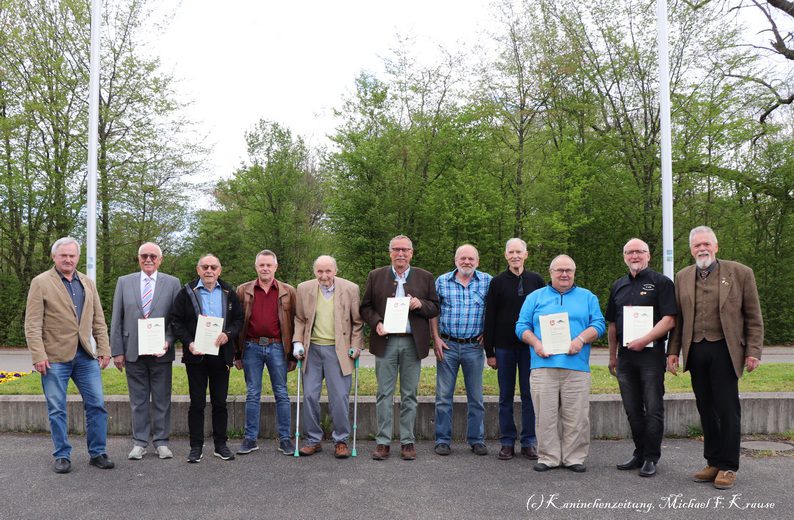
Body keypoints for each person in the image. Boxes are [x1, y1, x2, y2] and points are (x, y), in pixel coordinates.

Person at [667, 226, 763, 490]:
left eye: (706, 244)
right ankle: (713, 461)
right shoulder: (683, 276)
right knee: (706, 409)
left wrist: (753, 351)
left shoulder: (740, 273)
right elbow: (679, 321)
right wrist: (673, 351)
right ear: (691, 250)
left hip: (725, 350)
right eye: (697, 245)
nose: (702, 249)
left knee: (727, 410)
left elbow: (754, 317)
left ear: (716, 247)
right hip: (696, 350)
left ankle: (729, 466)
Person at [24, 237, 114, 473]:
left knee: (97, 405)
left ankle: (98, 453)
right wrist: (38, 355)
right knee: (57, 409)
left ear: (78, 257)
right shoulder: (41, 282)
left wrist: (104, 348)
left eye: (72, 255)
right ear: (54, 257)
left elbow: (98, 319)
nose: (68, 259)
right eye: (63, 255)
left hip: (85, 355)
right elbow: (32, 324)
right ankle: (62, 455)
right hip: (54, 357)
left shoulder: (87, 282)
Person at [515, 254, 605, 473]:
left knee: (577, 416)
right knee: (545, 415)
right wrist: (536, 343)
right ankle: (548, 457)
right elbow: (521, 326)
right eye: (560, 270)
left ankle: (574, 457)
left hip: (576, 367)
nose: (564, 274)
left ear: (574, 273)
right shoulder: (535, 297)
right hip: (543, 365)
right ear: (551, 272)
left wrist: (581, 339)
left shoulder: (587, 297)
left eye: (569, 271)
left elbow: (599, 324)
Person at [360, 234, 440, 461]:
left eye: (405, 250)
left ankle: (407, 441)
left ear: (411, 253)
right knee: (384, 393)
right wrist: (376, 322)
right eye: (396, 250)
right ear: (390, 253)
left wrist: (420, 304)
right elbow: (365, 307)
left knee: (409, 394)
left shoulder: (425, 277)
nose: (400, 254)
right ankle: (383, 442)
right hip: (385, 342)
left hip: (412, 343)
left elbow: (434, 308)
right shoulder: (376, 276)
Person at [606, 238, 676, 477]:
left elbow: (670, 319)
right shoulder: (618, 285)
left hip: (651, 355)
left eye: (639, 252)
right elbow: (613, 324)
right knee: (632, 409)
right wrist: (612, 356)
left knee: (653, 406)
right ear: (624, 256)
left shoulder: (662, 283)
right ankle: (639, 452)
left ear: (648, 255)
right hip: (625, 357)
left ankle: (651, 457)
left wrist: (644, 340)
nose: (634, 256)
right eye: (629, 252)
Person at [110, 242, 181, 461]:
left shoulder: (172, 283)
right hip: (133, 351)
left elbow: (177, 318)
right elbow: (117, 319)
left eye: (153, 256)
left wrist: (169, 340)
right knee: (138, 400)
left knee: (162, 399)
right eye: (144, 256)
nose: (148, 259)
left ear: (160, 259)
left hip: (161, 352)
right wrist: (117, 351)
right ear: (138, 258)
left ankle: (161, 442)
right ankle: (139, 442)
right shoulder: (124, 282)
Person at [170, 254, 243, 463]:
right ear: (198, 269)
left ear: (219, 270)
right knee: (197, 403)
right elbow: (176, 321)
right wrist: (188, 342)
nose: (209, 270)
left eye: (213, 267)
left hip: (222, 356)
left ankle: (221, 445)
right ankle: (196, 447)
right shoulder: (186, 292)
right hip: (196, 356)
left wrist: (228, 334)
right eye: (205, 267)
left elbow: (239, 319)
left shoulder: (229, 292)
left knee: (220, 403)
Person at [293, 255, 364, 458]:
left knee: (339, 397)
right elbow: (299, 318)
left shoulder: (350, 288)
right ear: (314, 272)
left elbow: (357, 322)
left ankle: (341, 440)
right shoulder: (304, 288)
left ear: (335, 270)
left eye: (328, 271)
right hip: (312, 349)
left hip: (338, 350)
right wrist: (297, 342)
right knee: (309, 396)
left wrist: (356, 345)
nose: (324, 276)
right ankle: (313, 439)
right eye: (320, 271)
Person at [484, 238, 545, 460]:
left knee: (530, 395)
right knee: (505, 396)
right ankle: (507, 441)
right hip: (503, 348)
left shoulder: (537, 280)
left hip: (530, 348)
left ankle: (529, 441)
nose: (515, 256)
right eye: (511, 252)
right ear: (506, 255)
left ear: (526, 255)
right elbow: (489, 317)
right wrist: (489, 352)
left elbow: (545, 314)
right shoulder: (497, 282)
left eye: (519, 252)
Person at [234, 250, 297, 456]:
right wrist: (237, 353)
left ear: (275, 267)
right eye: (262, 265)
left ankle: (285, 439)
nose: (265, 268)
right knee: (252, 394)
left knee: (281, 393)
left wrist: (292, 355)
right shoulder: (243, 291)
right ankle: (250, 438)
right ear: (256, 267)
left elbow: (295, 322)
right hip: (251, 347)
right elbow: (236, 323)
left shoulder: (288, 291)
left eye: (269, 265)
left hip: (278, 347)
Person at [431, 244, 492, 456]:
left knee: (476, 397)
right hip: (447, 345)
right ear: (456, 260)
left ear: (478, 261)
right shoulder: (442, 281)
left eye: (471, 259)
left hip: (474, 347)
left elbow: (493, 310)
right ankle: (442, 440)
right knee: (443, 397)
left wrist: (489, 332)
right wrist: (436, 338)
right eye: (463, 258)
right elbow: (433, 312)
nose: (467, 262)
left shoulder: (487, 281)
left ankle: (477, 440)